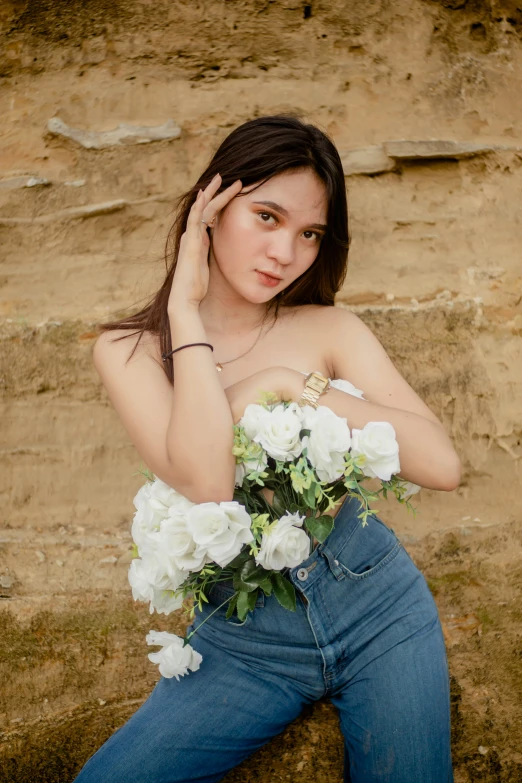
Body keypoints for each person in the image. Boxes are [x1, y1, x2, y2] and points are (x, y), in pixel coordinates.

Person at [74, 115, 460, 782]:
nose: (286, 251)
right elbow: (207, 481)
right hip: (243, 643)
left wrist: (291, 385)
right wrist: (186, 314)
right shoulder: (129, 351)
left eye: (309, 233)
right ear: (211, 208)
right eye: (267, 216)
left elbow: (441, 464)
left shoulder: (329, 327)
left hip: (380, 612)